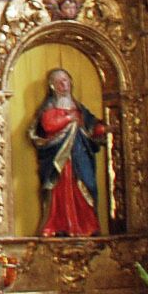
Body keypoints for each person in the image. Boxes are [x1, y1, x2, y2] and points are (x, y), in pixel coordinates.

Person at [30, 68, 106, 236]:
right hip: (58, 159)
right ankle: (59, 226)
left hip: (80, 156)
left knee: (87, 186)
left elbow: (92, 126)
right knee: (60, 191)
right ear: (53, 86)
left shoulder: (79, 109)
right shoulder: (50, 107)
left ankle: (87, 225)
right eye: (59, 82)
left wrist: (102, 128)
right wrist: (69, 119)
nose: (63, 85)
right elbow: (48, 125)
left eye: (66, 80)